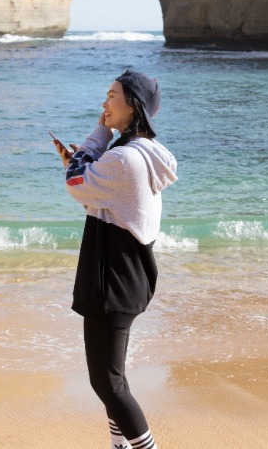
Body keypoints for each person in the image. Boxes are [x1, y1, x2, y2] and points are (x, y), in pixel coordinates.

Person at [51, 70, 178, 449]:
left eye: (112, 96)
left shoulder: (124, 159)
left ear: (133, 106)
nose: (104, 104)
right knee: (114, 378)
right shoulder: (144, 155)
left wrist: (96, 138)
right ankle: (120, 446)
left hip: (113, 280)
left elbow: (76, 184)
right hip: (127, 276)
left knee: (106, 382)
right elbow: (96, 197)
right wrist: (83, 166)